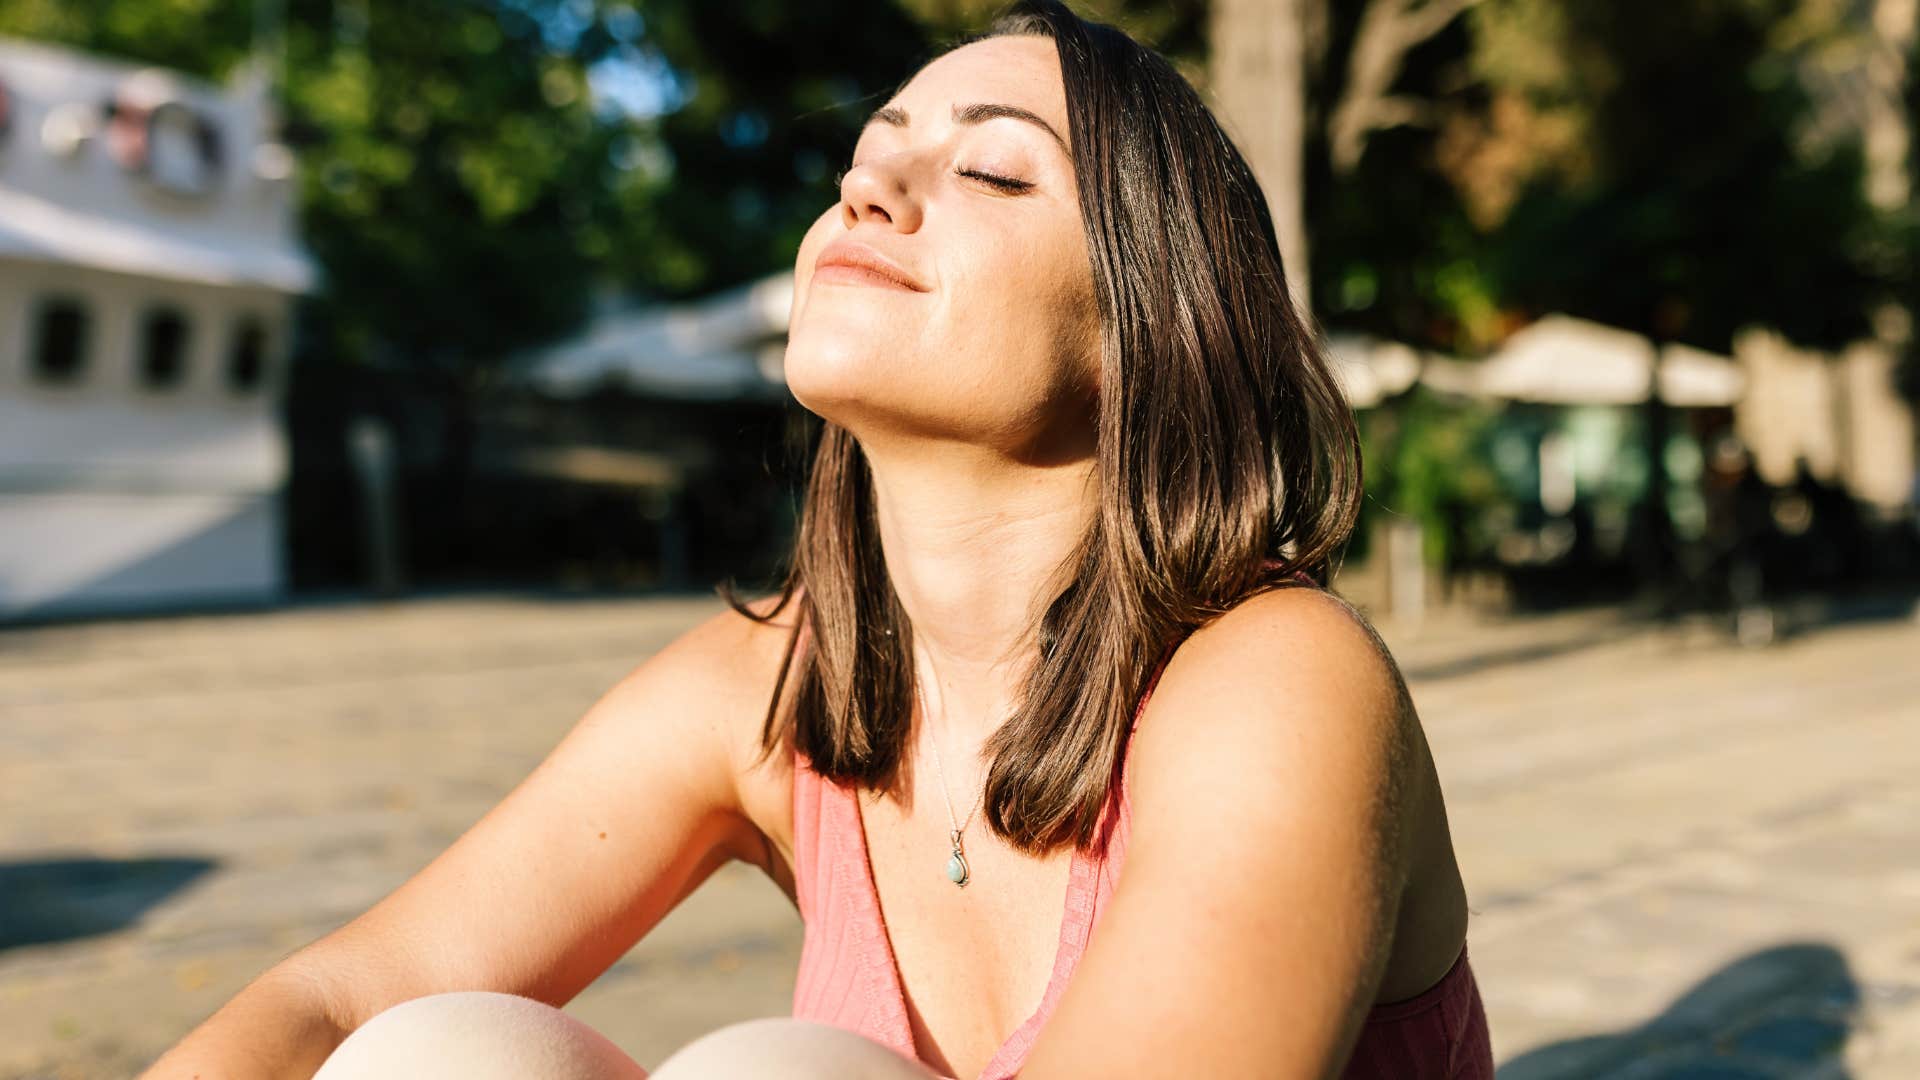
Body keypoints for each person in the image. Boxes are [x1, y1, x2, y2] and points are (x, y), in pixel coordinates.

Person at [140, 2, 1489, 1077]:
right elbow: (335, 998)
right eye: (873, 151)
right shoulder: (773, 683)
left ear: (1147, 328)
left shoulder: (1279, 681)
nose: (870, 184)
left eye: (990, 168)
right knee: (437, 1058)